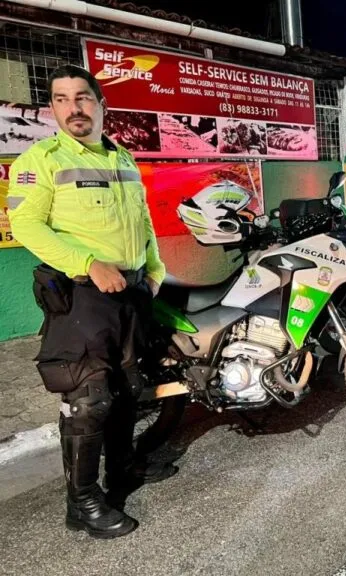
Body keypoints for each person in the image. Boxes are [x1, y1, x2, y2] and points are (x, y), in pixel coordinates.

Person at [7, 65, 177, 539]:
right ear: (53, 109)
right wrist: (86, 262)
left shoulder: (121, 158)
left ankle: (120, 471)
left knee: (127, 389)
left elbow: (142, 223)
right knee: (88, 399)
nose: (73, 107)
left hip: (131, 292)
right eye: (61, 99)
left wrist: (155, 269)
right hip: (81, 295)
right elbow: (26, 226)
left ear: (101, 105)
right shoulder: (41, 160)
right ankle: (81, 502)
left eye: (82, 97)